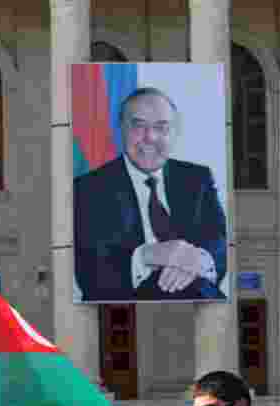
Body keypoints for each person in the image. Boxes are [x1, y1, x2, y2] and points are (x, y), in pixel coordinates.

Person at [74, 87, 228, 301]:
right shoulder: (87, 189)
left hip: (197, 294)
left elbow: (220, 242)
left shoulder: (198, 177)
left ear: (175, 132)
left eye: (161, 127)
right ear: (121, 129)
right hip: (128, 305)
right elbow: (91, 273)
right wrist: (148, 255)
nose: (150, 137)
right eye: (138, 126)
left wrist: (192, 262)